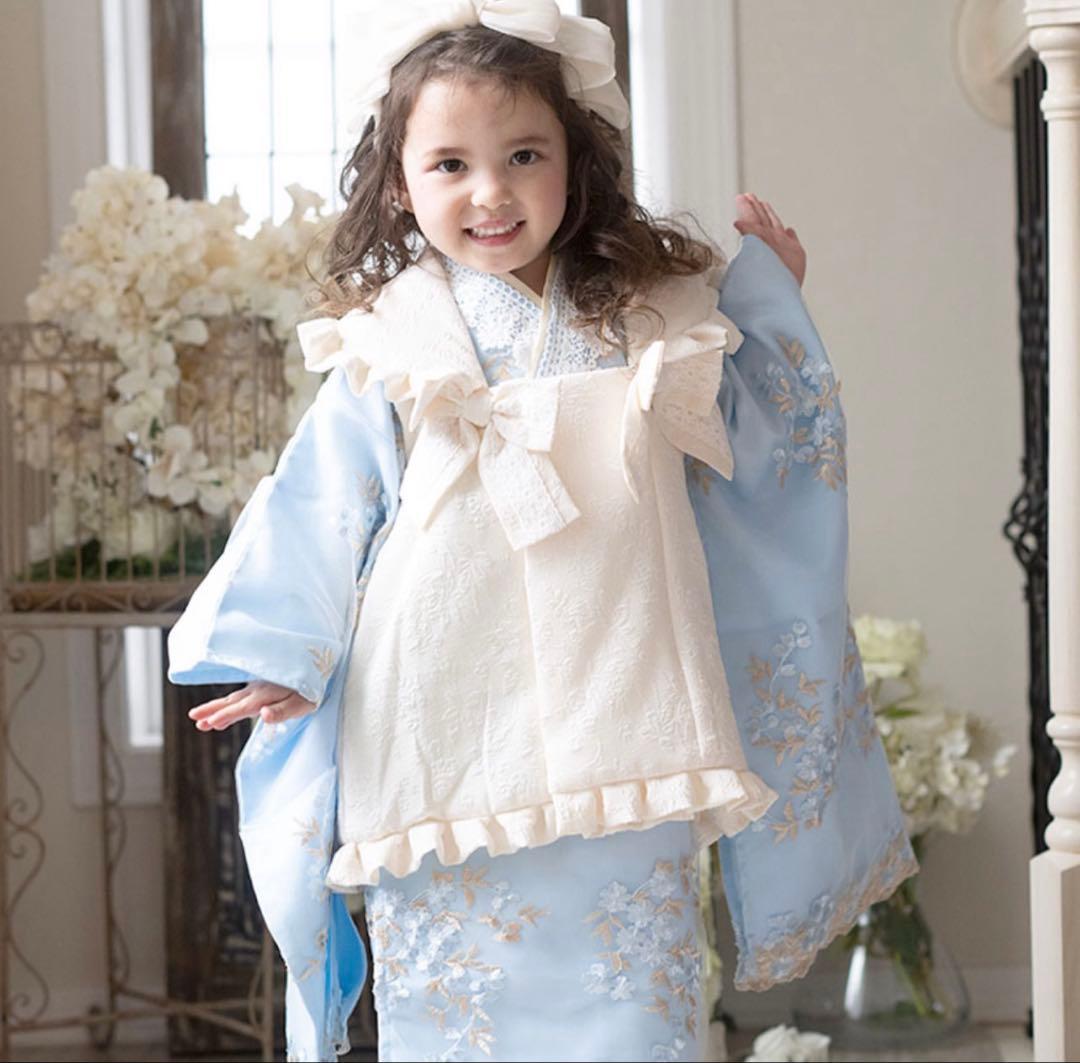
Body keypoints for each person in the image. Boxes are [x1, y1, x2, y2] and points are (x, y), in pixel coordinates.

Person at [168, 3, 919, 1060]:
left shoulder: (653, 315)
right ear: (399, 183)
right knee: (461, 1014)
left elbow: (747, 449)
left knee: (634, 1008)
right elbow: (323, 502)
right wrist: (290, 652)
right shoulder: (388, 342)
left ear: (576, 160)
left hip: (631, 710)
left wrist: (771, 307)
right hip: (441, 717)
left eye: (525, 155)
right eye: (451, 164)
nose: (491, 192)